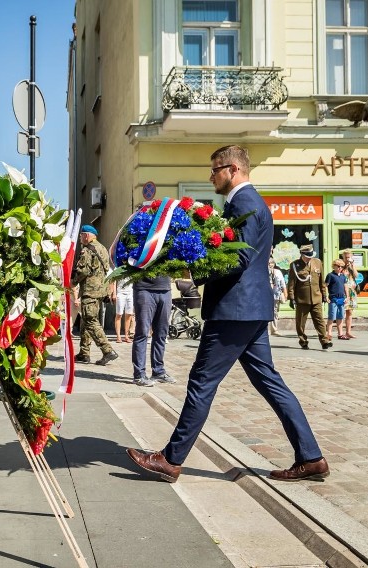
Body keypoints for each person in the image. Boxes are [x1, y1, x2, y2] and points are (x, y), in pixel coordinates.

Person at [126, 145, 328, 483]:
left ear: (232, 169)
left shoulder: (245, 203)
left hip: (235, 310)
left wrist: (196, 267)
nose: (211, 176)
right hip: (248, 309)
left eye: (215, 169)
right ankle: (311, 456)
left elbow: (238, 259)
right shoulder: (245, 203)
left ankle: (171, 460)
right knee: (270, 382)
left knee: (202, 382)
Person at [71, 225, 118, 366]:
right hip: (100, 291)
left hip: (90, 290)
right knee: (86, 321)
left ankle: (107, 350)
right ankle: (84, 353)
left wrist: (73, 281)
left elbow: (83, 270)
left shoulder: (87, 250)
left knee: (90, 320)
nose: (80, 238)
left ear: (87, 235)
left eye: (81, 236)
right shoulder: (102, 248)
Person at [130, 277, 175, 387]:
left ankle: (158, 371)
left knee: (161, 333)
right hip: (144, 289)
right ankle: (139, 374)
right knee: (142, 333)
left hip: (165, 289)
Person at [286, 244, 331, 350]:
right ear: (302, 254)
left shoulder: (318, 262)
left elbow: (321, 281)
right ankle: (303, 341)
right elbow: (291, 283)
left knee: (320, 321)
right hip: (302, 299)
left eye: (311, 255)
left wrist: (324, 295)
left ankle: (324, 341)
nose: (310, 257)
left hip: (316, 298)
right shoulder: (295, 265)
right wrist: (291, 298)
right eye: (307, 255)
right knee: (300, 323)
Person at [325, 259, 348, 340]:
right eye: (338, 266)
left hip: (341, 298)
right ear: (334, 266)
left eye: (341, 266)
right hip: (333, 299)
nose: (340, 268)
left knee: (340, 317)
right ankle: (329, 334)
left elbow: (345, 287)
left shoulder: (343, 276)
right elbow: (326, 286)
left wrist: (347, 297)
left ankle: (340, 334)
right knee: (331, 317)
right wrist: (326, 296)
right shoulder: (330, 275)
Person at [340, 249, 359, 338]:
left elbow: (356, 275)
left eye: (349, 257)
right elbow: (339, 274)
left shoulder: (352, 265)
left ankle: (348, 332)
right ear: (343, 257)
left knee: (350, 312)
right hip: (343, 290)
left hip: (352, 291)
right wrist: (344, 266)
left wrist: (352, 265)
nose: (348, 259)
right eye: (346, 257)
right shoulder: (341, 265)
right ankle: (340, 332)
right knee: (341, 312)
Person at [269, 257, 286, 336]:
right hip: (267, 295)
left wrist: (285, 294)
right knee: (267, 312)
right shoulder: (264, 271)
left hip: (276, 295)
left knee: (275, 312)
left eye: (272, 263)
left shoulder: (278, 272)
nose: (270, 265)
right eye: (269, 263)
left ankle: (274, 329)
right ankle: (266, 330)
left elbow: (283, 283)